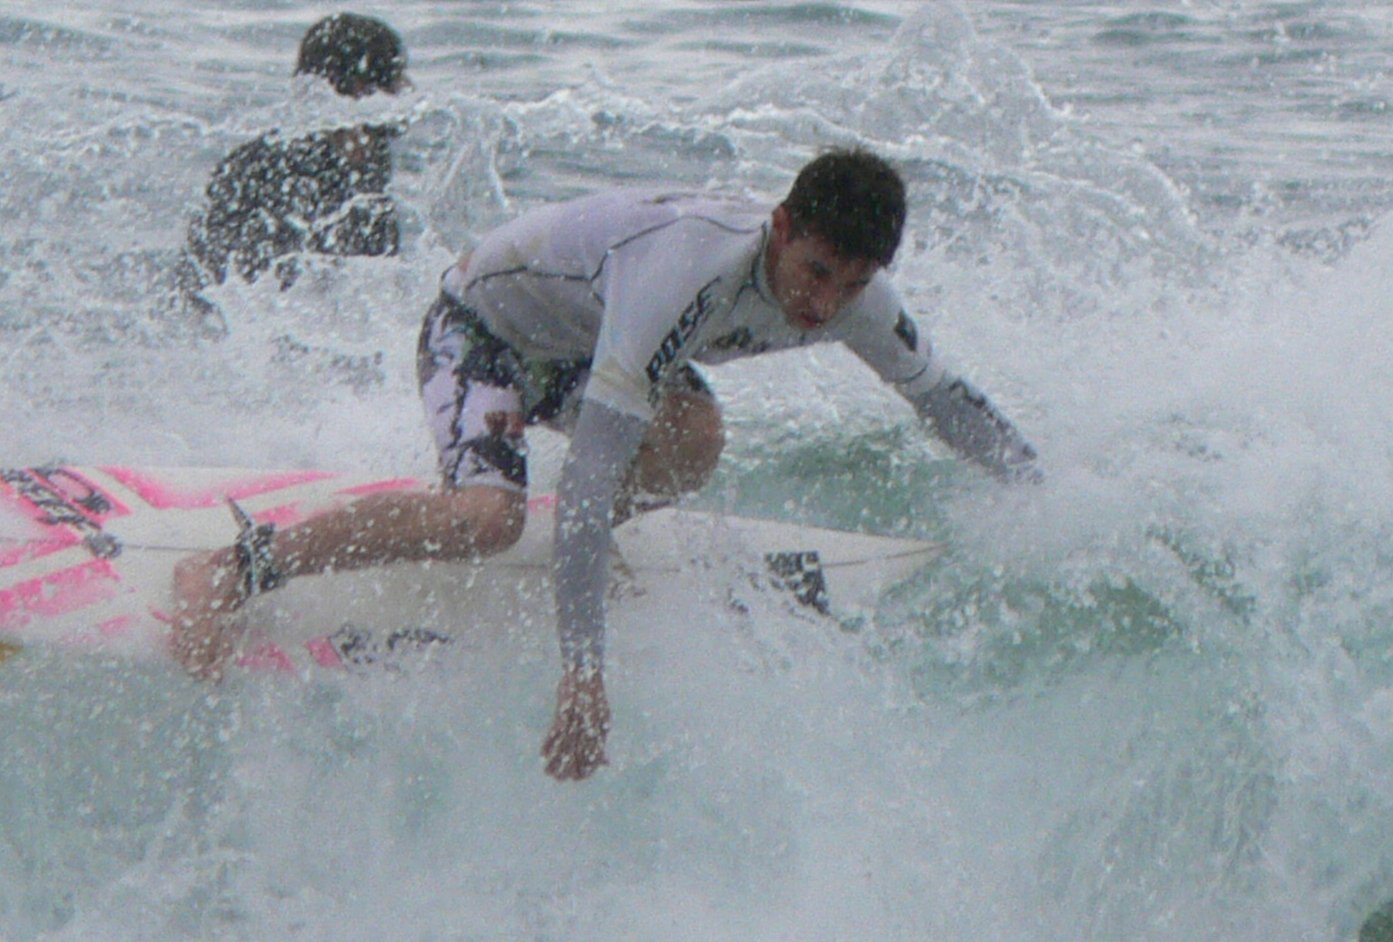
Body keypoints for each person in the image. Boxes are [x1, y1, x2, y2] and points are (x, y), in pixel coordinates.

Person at [171, 149, 1038, 780]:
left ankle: (574, 552)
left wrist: (1043, 491)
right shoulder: (686, 271)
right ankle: (234, 569)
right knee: (489, 521)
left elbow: (944, 400)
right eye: (813, 273)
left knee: (694, 438)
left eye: (849, 286)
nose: (823, 304)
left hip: (584, 348)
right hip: (486, 331)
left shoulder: (857, 301)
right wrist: (583, 674)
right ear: (781, 229)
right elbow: (591, 476)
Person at [177, 13, 409, 297]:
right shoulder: (270, 169)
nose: (407, 88)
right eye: (397, 77)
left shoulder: (370, 159)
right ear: (363, 88)